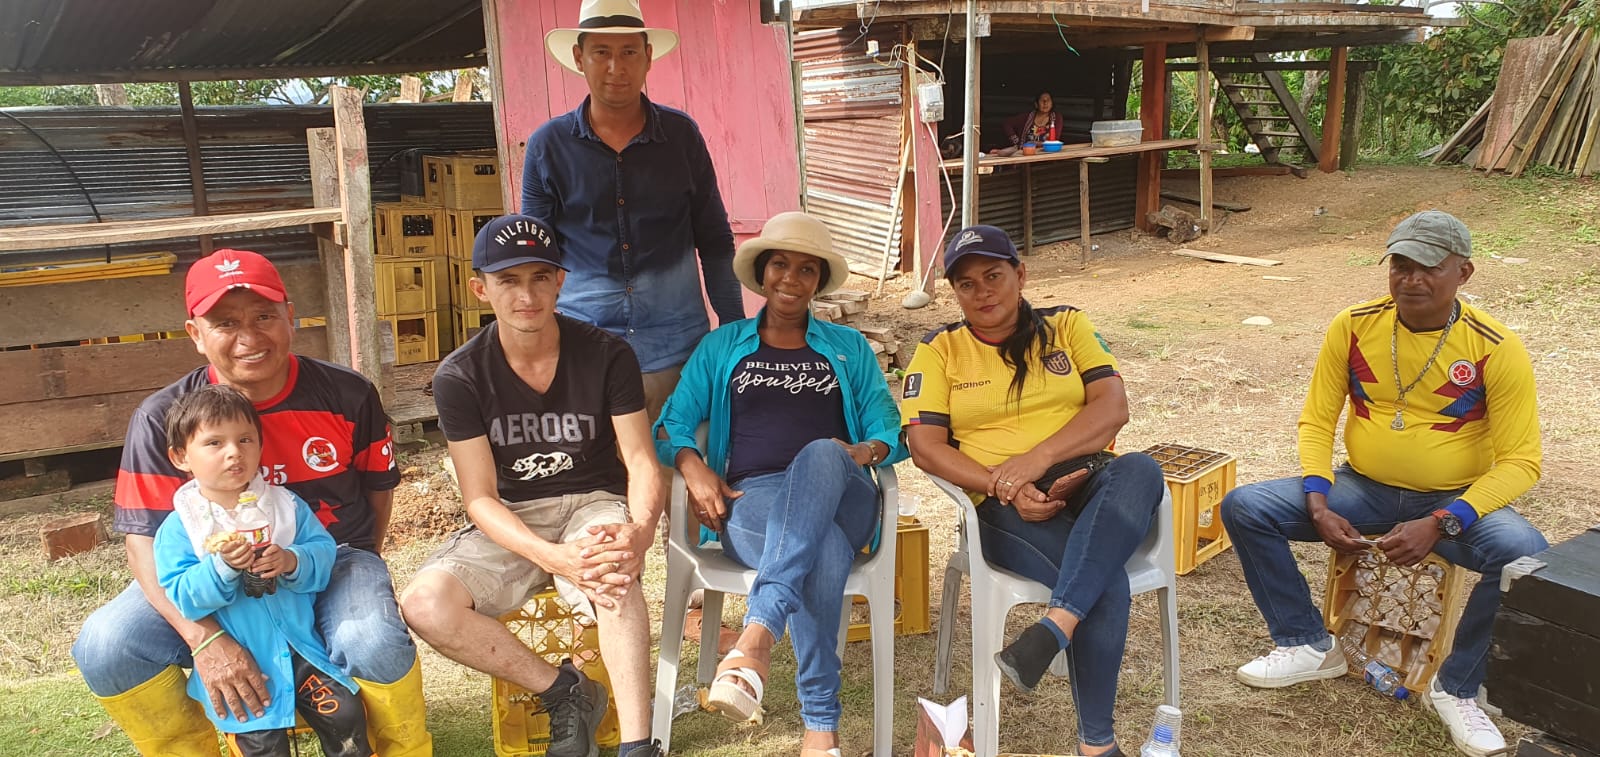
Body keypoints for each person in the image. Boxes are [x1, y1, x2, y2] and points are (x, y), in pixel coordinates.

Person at [71, 249, 430, 757]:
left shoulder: (348, 394)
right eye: (225, 322)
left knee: (373, 639)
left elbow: (377, 492)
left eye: (264, 315)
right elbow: (143, 544)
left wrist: (343, 567)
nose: (249, 337)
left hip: (332, 558)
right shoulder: (162, 418)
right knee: (107, 644)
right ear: (195, 334)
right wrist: (203, 637)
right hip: (204, 577)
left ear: (291, 316)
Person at [1220, 210, 1547, 757]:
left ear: (1463, 273)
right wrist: (1318, 502)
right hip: (1363, 487)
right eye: (1401, 264)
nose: (1411, 279)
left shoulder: (1494, 346)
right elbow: (1317, 421)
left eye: (1429, 267)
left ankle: (1456, 689)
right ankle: (1307, 643)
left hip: (1452, 499)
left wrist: (1443, 522)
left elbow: (1522, 462)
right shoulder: (1353, 326)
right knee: (1247, 506)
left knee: (1525, 556)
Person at [399, 215, 665, 757]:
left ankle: (638, 745)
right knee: (425, 605)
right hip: (514, 514)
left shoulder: (607, 354)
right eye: (508, 280)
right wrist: (552, 557)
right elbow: (479, 497)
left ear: (560, 281)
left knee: (612, 573)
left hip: (593, 502)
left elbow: (640, 461)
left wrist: (639, 532)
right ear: (481, 289)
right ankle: (564, 690)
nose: (527, 295)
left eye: (541, 277)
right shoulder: (460, 376)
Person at [902, 225, 1162, 757]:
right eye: (967, 284)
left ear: (1020, 274)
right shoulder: (939, 350)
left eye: (993, 276)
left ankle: (1054, 626)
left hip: (1087, 480)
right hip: (999, 505)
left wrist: (1035, 461)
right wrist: (1003, 483)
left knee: (1140, 469)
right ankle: (1098, 746)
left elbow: (1113, 408)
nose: (983, 292)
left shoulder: (1066, 325)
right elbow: (925, 447)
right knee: (1102, 576)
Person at [654, 212, 906, 757]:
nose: (791, 278)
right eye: (780, 265)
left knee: (820, 452)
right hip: (755, 500)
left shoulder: (848, 347)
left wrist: (861, 452)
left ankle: (757, 636)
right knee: (822, 549)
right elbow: (672, 423)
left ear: (819, 281)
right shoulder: (723, 346)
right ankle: (821, 729)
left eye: (806, 269)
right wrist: (693, 468)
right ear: (762, 272)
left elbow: (890, 429)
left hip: (842, 490)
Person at [523, 0, 743, 419]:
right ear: (579, 58)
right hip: (585, 350)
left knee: (678, 455)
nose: (615, 67)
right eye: (601, 52)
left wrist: (733, 330)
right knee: (597, 461)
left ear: (648, 57)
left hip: (677, 350)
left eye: (628, 52)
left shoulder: (681, 137)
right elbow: (536, 254)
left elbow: (715, 240)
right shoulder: (548, 145)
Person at [154, 385, 371, 757]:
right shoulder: (180, 528)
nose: (234, 452)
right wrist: (222, 567)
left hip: (301, 651)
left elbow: (323, 553)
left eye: (245, 440)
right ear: (180, 456)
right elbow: (184, 598)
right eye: (214, 443)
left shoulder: (285, 506)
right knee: (262, 744)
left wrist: (291, 560)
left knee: (345, 715)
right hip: (246, 663)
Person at [995, 91, 1062, 155]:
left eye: (1048, 100)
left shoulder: (1056, 118)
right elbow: (1007, 123)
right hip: (1026, 154)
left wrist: (1036, 143)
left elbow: (1055, 140)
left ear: (1052, 104)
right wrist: (1017, 142)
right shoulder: (1026, 117)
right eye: (1042, 100)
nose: (1045, 103)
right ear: (1036, 104)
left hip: (1047, 154)